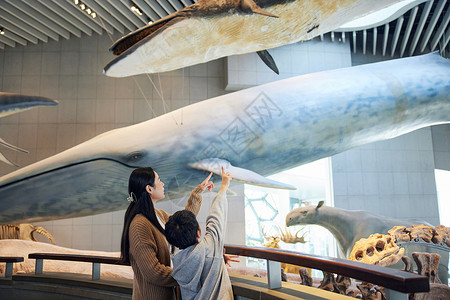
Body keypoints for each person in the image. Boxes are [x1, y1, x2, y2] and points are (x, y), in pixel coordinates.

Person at [120, 167, 214, 300]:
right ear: (149, 189)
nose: (162, 183)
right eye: (159, 180)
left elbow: (182, 224)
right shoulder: (139, 225)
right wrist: (188, 275)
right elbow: (154, 272)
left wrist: (198, 192)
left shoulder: (157, 214)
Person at [165, 166, 234, 300]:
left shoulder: (178, 264)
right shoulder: (210, 247)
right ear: (199, 232)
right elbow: (216, 216)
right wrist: (224, 185)